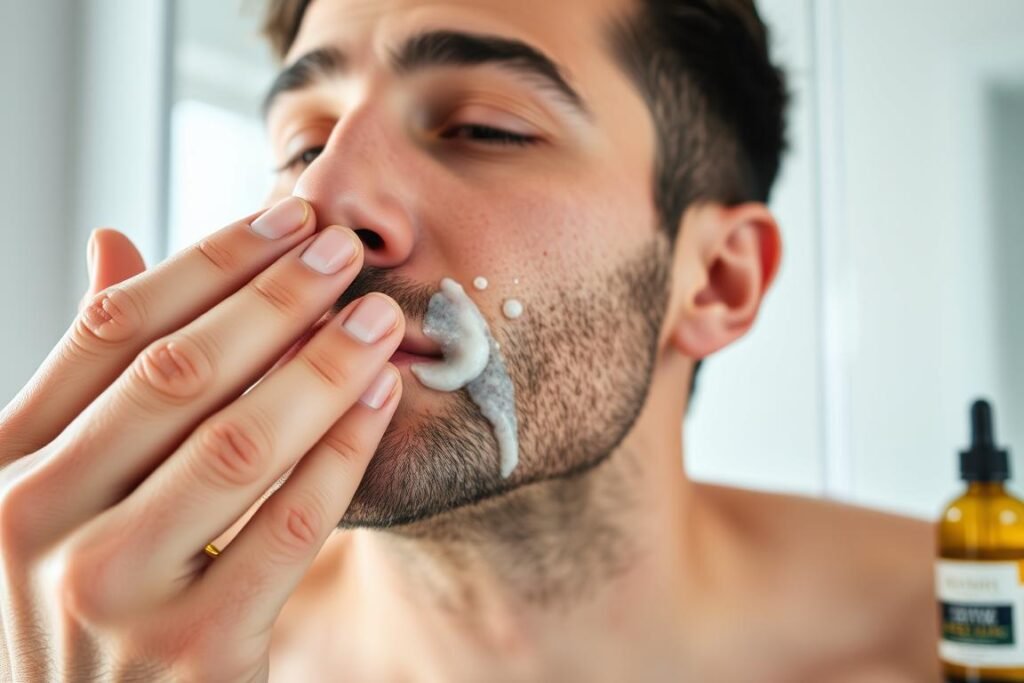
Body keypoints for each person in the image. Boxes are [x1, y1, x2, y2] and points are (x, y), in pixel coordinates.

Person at [0, 0, 941, 680]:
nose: (325, 197)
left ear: (718, 280)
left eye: (483, 128)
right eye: (303, 144)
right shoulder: (126, 650)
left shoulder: (965, 634)